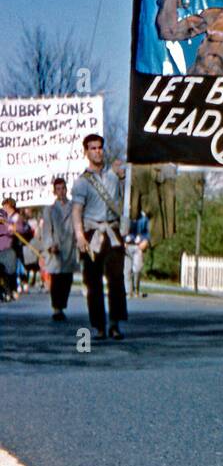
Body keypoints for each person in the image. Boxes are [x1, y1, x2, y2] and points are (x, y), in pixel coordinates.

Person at [71, 134, 128, 341]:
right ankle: (98, 326)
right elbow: (77, 210)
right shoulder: (81, 182)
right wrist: (79, 235)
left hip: (112, 232)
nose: (97, 151)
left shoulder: (113, 175)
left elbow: (125, 198)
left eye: (100, 148)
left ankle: (114, 324)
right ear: (86, 152)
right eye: (93, 148)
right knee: (93, 282)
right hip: (92, 233)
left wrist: (122, 177)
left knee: (116, 279)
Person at [40, 178, 78, 320]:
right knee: (56, 278)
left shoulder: (74, 207)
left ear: (66, 189)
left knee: (67, 278)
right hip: (56, 248)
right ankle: (57, 308)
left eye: (63, 188)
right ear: (54, 191)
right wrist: (50, 245)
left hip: (69, 247)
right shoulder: (50, 210)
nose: (61, 191)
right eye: (58, 189)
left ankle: (62, 305)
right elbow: (47, 230)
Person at [0, 200, 19, 302]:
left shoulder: (15, 218)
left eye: (5, 206)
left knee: (10, 272)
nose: (4, 208)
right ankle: (5, 292)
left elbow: (21, 228)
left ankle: (11, 290)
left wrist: (12, 228)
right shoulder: (2, 214)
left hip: (8, 250)